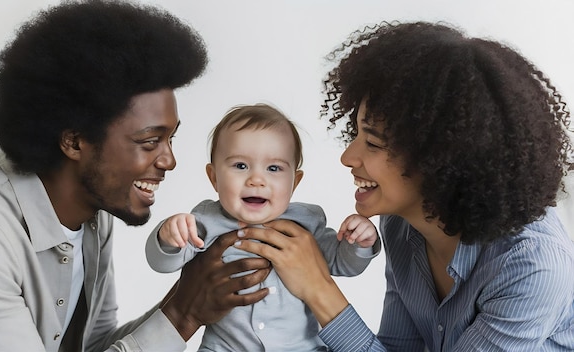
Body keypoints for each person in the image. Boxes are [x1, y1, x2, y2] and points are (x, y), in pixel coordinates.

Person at [0, 1, 273, 351]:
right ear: (74, 142)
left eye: (170, 138)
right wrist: (182, 313)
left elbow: (94, 346)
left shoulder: (93, 217)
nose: (169, 160)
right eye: (149, 142)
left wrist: (190, 296)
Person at [233, 21, 574, 351]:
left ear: (440, 160)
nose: (348, 157)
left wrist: (319, 289)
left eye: (374, 143)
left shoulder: (532, 266)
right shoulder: (400, 223)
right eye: (356, 134)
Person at [146, 103, 380, 351]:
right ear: (214, 177)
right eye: (240, 166)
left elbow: (342, 264)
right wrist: (168, 237)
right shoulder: (206, 220)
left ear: (295, 182)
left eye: (274, 168)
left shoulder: (306, 222)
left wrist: (358, 243)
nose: (257, 180)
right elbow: (164, 263)